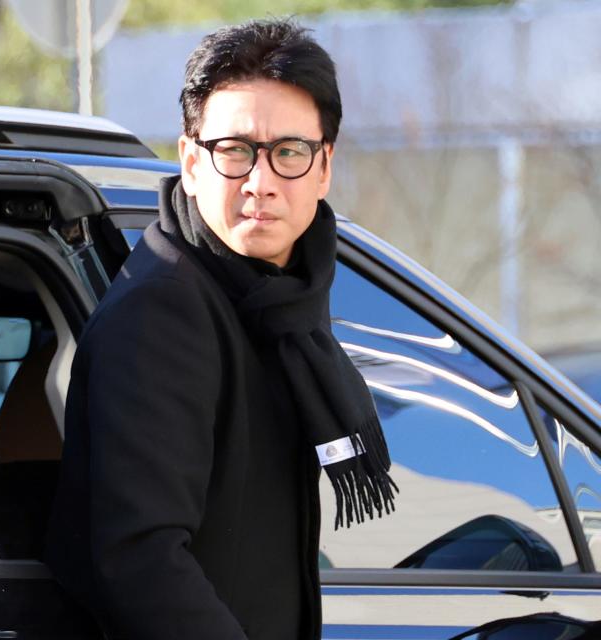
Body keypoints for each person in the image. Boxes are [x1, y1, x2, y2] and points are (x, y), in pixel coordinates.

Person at [46, 18, 397, 640]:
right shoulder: (163, 309)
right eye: (235, 151)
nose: (261, 183)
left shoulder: (281, 305)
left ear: (323, 168)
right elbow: (139, 558)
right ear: (191, 160)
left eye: (289, 152)